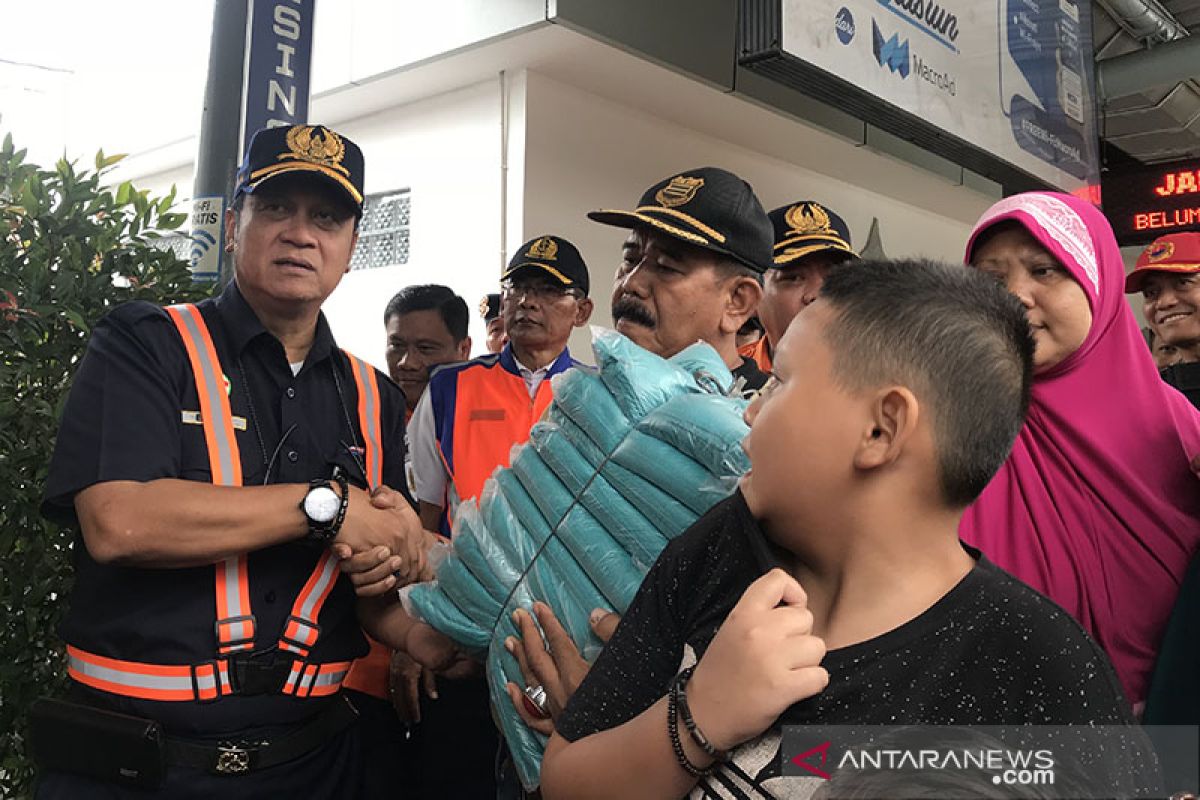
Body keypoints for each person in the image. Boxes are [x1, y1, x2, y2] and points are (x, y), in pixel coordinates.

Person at [538, 259, 1152, 799]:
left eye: (779, 381)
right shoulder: (722, 547)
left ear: (881, 430)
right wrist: (698, 716)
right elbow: (564, 778)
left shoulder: (1041, 670)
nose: (751, 407)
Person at [36, 124, 426, 798]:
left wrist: (429, 617)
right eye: (276, 208)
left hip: (315, 766)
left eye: (327, 217)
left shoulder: (375, 397)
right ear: (232, 224)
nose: (301, 234)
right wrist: (326, 507)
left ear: (352, 246)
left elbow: (372, 597)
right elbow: (119, 523)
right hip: (135, 769)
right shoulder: (147, 344)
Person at [960, 191, 1200, 710]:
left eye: (1044, 270)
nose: (1014, 296)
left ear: (1099, 286)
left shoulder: (1183, 431)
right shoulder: (945, 427)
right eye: (990, 279)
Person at [401, 234, 593, 797]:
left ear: (580, 310)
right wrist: (412, 635)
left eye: (548, 291)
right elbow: (424, 521)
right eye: (519, 288)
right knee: (456, 771)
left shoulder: (598, 392)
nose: (527, 302)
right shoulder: (450, 388)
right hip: (464, 629)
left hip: (565, 637)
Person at [589, 166, 771, 392]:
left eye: (666, 268)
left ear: (737, 302)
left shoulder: (765, 419)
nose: (630, 284)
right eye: (630, 259)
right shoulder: (591, 397)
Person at [739, 200, 858, 372]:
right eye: (794, 277)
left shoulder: (876, 379)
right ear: (753, 297)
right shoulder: (724, 379)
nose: (817, 295)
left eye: (834, 276)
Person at [383, 284, 472, 414]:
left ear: (464, 350)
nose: (407, 363)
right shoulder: (362, 416)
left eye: (425, 348)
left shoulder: (492, 414)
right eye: (397, 346)